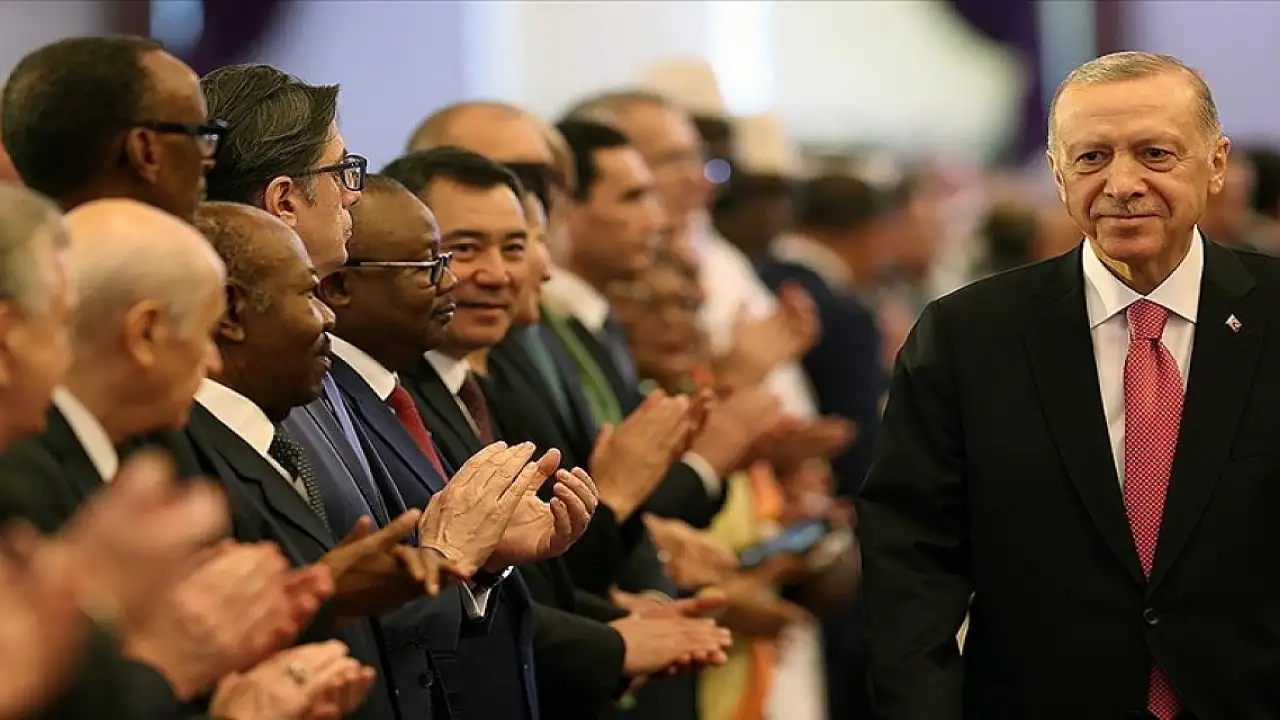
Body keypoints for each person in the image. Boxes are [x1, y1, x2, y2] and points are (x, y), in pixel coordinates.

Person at [857, 51, 1278, 719]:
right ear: (1057, 172)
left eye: (1155, 154)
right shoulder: (967, 336)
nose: (1123, 183)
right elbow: (910, 560)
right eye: (1091, 158)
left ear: (1216, 163)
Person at [1, 36, 221, 222]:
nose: (208, 162)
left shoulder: (21, 258)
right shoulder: (191, 258)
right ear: (145, 149)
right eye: (199, 134)